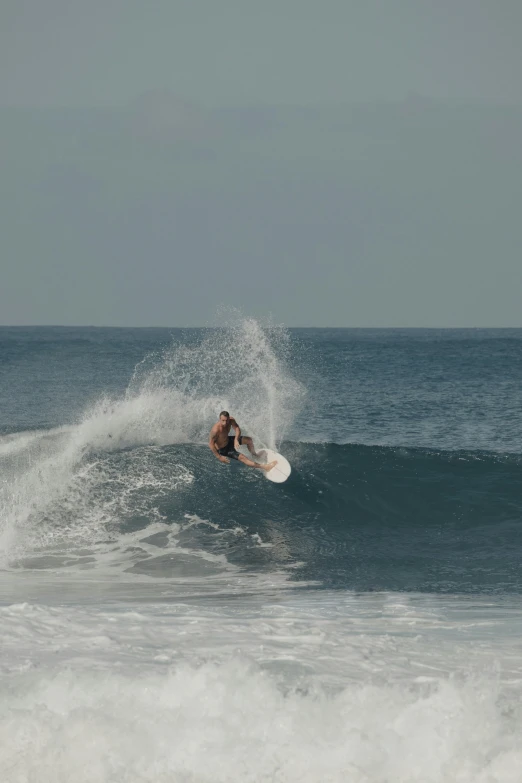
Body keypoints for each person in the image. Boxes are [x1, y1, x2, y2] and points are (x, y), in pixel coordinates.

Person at [209, 411, 277, 473]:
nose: (225, 423)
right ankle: (265, 467)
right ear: (219, 419)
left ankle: (254, 455)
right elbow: (211, 444)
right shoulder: (216, 430)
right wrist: (219, 457)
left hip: (228, 440)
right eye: (223, 420)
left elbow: (237, 429)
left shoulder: (231, 420)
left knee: (249, 440)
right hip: (223, 449)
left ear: (229, 418)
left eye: (226, 420)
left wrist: (236, 440)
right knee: (243, 457)